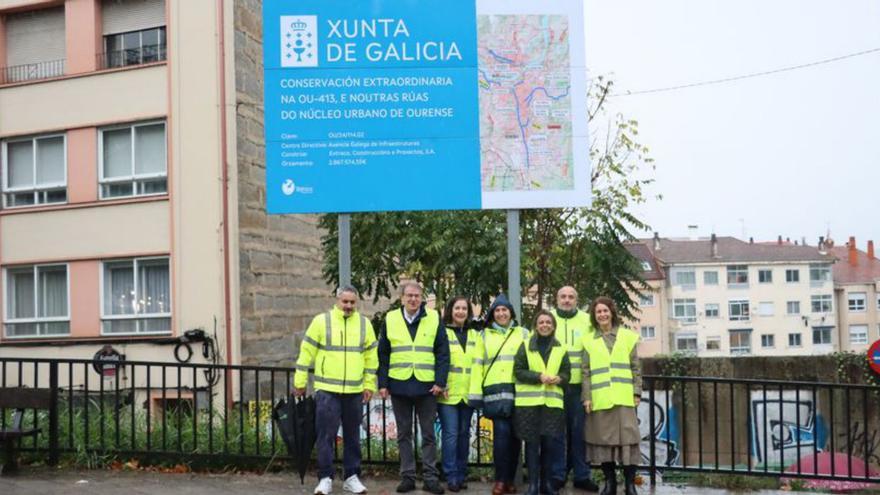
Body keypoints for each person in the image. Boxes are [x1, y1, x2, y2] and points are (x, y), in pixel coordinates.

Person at [294, 286, 378, 495]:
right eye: (345, 302)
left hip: (354, 390)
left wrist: (369, 384)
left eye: (352, 302)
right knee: (325, 436)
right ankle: (325, 478)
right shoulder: (322, 321)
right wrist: (300, 380)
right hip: (327, 390)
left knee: (352, 437)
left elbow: (371, 358)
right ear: (337, 301)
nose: (349, 306)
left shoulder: (364, 324)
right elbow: (306, 352)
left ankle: (351, 477)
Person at [378, 282, 450, 494]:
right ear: (402, 298)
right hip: (399, 384)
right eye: (409, 296)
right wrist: (382, 383)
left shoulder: (434, 318)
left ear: (422, 299)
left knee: (428, 434)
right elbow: (383, 354)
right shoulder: (390, 319)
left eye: (417, 296)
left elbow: (443, 353)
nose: (413, 299)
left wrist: (440, 381)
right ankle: (407, 477)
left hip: (427, 387)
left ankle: (430, 477)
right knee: (403, 434)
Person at [468, 294, 529, 495]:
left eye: (505, 310)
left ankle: (510, 480)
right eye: (497, 310)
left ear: (511, 312)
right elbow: (477, 367)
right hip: (495, 395)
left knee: (515, 440)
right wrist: (475, 395)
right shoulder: (484, 336)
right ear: (493, 315)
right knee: (501, 439)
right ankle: (500, 480)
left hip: (519, 394)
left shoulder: (524, 334)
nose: (501, 313)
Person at [581, 297, 642, 495]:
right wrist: (587, 397)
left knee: (628, 442)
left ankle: (630, 484)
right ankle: (610, 483)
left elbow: (635, 367)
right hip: (600, 399)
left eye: (605, 311)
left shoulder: (627, 336)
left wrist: (637, 392)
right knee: (604, 443)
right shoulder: (588, 340)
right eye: (598, 312)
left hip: (624, 398)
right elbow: (586, 372)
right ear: (594, 316)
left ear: (612, 313)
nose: (602, 315)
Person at [514, 310, 571, 495]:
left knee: (549, 445)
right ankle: (533, 485)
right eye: (541, 322)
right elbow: (519, 371)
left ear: (553, 326)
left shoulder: (560, 349)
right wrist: (538, 377)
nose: (545, 325)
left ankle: (546, 484)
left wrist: (559, 379)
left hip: (552, 405)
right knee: (531, 445)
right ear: (536, 326)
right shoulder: (525, 345)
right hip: (529, 405)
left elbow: (567, 373)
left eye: (548, 322)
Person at [552, 286, 599, 491]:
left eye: (571, 297)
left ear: (577, 300)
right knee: (557, 434)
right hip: (555, 386)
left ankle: (581, 475)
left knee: (580, 433)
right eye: (563, 296)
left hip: (580, 387)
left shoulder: (587, 320)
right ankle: (557, 474)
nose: (567, 300)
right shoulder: (548, 318)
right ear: (556, 299)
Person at [437, 296, 479, 492]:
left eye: (464, 308)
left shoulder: (475, 334)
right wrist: (440, 383)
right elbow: (437, 360)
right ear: (450, 311)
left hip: (468, 393)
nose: (461, 312)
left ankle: (462, 474)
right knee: (451, 435)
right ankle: (451, 474)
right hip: (448, 393)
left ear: (468, 312)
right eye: (457, 308)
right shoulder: (442, 332)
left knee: (464, 435)